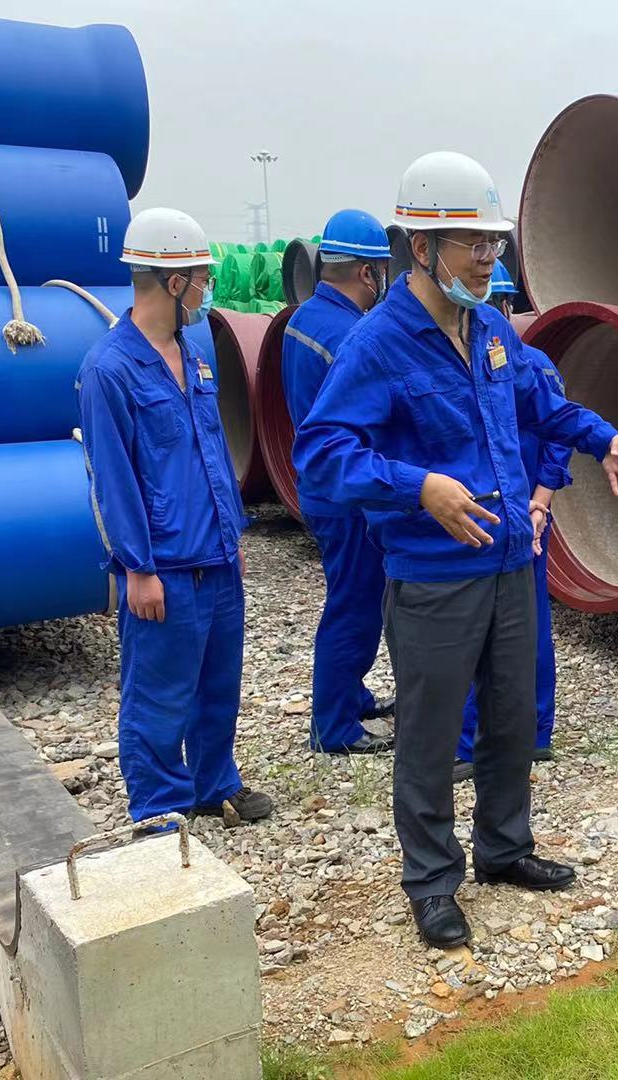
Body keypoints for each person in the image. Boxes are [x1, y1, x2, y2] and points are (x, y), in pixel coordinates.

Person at [293, 152, 618, 949]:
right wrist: (419, 486)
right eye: (474, 244)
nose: (490, 259)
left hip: (510, 562)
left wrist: (602, 436)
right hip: (434, 575)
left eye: (495, 243)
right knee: (428, 735)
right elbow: (320, 453)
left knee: (511, 716)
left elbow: (541, 403)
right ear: (421, 248)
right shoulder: (378, 344)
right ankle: (431, 881)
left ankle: (504, 847)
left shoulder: (489, 325)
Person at [77, 207, 273, 829]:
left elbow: (212, 448)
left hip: (216, 555)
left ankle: (215, 782)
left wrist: (232, 535)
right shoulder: (109, 370)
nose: (207, 287)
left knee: (217, 683)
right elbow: (112, 480)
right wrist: (137, 568)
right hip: (163, 565)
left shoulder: (195, 351)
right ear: (173, 280)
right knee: (159, 693)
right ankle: (159, 807)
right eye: (202, 276)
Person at [283, 209, 395, 755]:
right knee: (355, 604)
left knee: (348, 595)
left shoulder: (302, 318)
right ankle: (335, 726)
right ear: (367, 272)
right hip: (347, 495)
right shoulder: (350, 334)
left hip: (320, 486)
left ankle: (351, 695)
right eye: (382, 270)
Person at [454, 260, 567, 782]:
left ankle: (481, 741)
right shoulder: (532, 364)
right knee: (521, 624)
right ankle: (525, 733)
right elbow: (559, 437)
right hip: (513, 514)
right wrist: (541, 503)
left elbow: (557, 436)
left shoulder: (511, 366)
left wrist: (538, 505)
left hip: (500, 516)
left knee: (486, 628)